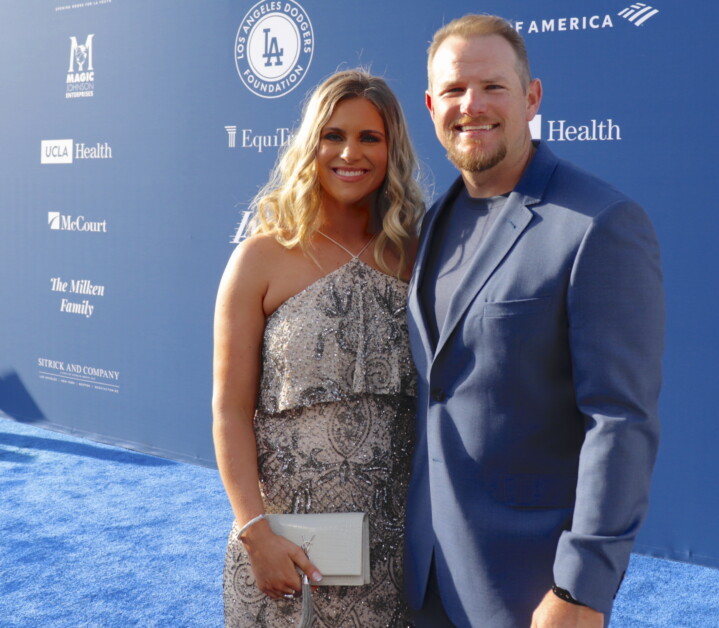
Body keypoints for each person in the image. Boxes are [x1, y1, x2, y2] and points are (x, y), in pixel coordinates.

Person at [403, 14, 664, 628]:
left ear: (532, 96)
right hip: (426, 574)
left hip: (531, 588)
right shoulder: (429, 224)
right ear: (430, 104)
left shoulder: (600, 224)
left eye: (493, 86)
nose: (473, 106)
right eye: (454, 91)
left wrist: (581, 589)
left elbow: (620, 420)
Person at [212, 69, 424, 627]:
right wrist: (255, 532)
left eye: (369, 138)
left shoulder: (418, 255)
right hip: (284, 548)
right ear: (311, 144)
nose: (349, 152)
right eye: (333, 135)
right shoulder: (261, 257)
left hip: (397, 547)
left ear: (392, 150)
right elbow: (230, 409)